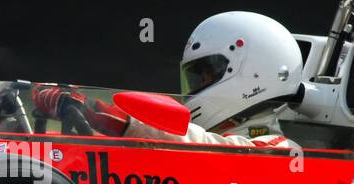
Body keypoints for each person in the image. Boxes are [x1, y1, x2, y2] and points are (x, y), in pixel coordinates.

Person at [32, 11, 303, 148]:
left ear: (254, 72)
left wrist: (103, 114)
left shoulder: (278, 149)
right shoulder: (228, 139)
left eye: (208, 74)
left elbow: (208, 150)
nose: (199, 85)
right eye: (198, 76)